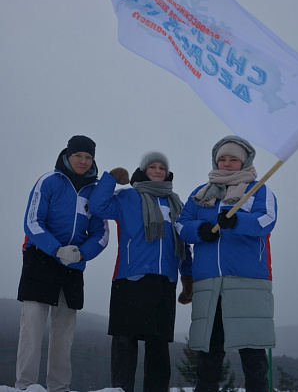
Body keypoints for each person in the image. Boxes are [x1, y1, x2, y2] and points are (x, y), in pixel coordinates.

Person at [175, 135, 277, 392]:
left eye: (233, 159)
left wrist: (237, 222)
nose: (227, 163)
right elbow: (180, 225)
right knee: (209, 350)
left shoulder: (257, 190)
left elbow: (267, 221)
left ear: (244, 162)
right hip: (208, 282)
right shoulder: (200, 193)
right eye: (223, 159)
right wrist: (200, 230)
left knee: (252, 350)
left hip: (247, 280)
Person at [89, 151, 193, 392]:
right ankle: (120, 389)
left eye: (161, 168)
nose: (158, 170)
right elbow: (97, 205)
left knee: (159, 346)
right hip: (131, 278)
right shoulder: (128, 197)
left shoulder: (176, 203)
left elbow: (184, 244)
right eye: (152, 167)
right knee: (125, 341)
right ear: (144, 171)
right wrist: (111, 178)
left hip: (165, 280)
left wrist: (187, 277)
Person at [15, 135, 109, 392]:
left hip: (73, 267)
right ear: (68, 155)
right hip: (41, 260)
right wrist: (57, 249)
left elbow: (102, 235)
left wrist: (80, 254)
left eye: (88, 157)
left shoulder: (95, 191)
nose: (83, 161)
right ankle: (25, 386)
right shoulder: (49, 181)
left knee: (64, 332)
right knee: (32, 327)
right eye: (78, 155)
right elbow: (32, 222)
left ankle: (59, 387)